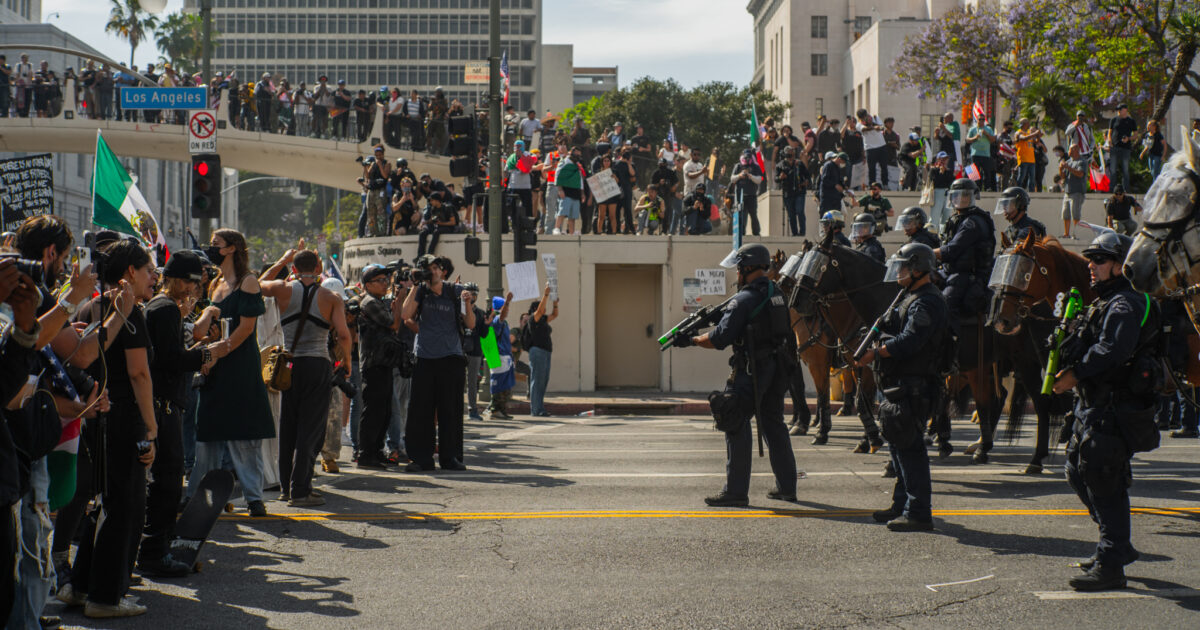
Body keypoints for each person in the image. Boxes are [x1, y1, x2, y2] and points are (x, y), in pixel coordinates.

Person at [1052, 232, 1157, 591]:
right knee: (1076, 470)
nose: (1091, 266)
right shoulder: (1103, 302)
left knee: (1104, 478)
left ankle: (1112, 563)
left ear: (1119, 265)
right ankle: (1115, 545)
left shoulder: (1126, 303)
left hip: (1114, 406)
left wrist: (1075, 373)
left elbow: (1114, 349)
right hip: (1092, 403)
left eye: (1099, 259)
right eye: (1091, 259)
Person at [63, 239, 161, 618]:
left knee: (101, 504)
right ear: (130, 273)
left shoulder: (92, 304)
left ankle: (83, 585)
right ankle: (105, 597)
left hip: (95, 415)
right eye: (149, 268)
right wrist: (151, 428)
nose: (154, 276)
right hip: (121, 418)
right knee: (125, 507)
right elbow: (139, 374)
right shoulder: (128, 311)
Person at [682, 244, 798, 507]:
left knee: (733, 419)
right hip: (777, 367)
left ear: (747, 267)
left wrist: (693, 339)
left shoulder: (744, 299)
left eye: (738, 267)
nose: (736, 272)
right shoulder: (775, 293)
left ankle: (735, 491)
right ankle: (787, 487)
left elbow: (720, 338)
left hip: (751, 370)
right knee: (774, 425)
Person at [139, 251, 221, 578]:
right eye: (190, 281)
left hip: (164, 402)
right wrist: (205, 354)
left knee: (164, 482)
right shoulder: (165, 308)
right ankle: (153, 555)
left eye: (198, 284)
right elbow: (170, 360)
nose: (194, 289)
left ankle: (154, 549)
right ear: (175, 279)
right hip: (163, 404)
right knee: (168, 483)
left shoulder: (164, 307)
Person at [858, 243, 948, 532]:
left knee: (911, 449)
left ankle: (919, 512)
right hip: (899, 384)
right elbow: (892, 327)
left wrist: (877, 352)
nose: (899, 272)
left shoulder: (927, 302)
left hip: (915, 385)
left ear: (919, 269)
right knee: (898, 446)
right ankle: (902, 505)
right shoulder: (907, 296)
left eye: (904, 267)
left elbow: (911, 341)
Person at [189, 229, 276, 518]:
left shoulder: (248, 281)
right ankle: (197, 496)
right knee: (208, 433)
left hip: (239, 367)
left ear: (232, 248)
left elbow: (246, 329)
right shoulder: (215, 283)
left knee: (245, 435)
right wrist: (209, 350)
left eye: (216, 245)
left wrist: (220, 350)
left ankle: (254, 498)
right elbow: (203, 329)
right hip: (215, 367)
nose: (211, 249)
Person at [260, 250, 351, 506]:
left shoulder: (281, 288)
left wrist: (281, 262)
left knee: (288, 425)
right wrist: (347, 361)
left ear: (295, 268)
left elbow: (255, 285)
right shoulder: (331, 297)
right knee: (310, 429)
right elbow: (343, 335)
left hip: (289, 364)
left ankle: (286, 488)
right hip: (317, 363)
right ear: (319, 267)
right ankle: (301, 490)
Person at [400, 256, 476, 471]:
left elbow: (470, 323)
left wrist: (468, 304)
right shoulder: (421, 291)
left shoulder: (455, 291)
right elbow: (406, 315)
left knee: (449, 410)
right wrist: (415, 285)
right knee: (420, 410)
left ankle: (450, 457)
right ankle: (420, 458)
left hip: (451, 357)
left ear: (443, 271)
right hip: (425, 356)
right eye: (427, 269)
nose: (431, 272)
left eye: (434, 268)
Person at [355, 264, 402, 469]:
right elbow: (393, 324)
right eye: (380, 281)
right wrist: (399, 303)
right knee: (373, 410)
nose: (385, 284)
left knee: (384, 410)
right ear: (367, 285)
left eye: (386, 280)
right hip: (373, 363)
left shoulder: (379, 301)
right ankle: (366, 454)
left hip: (384, 362)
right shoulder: (369, 303)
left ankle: (376, 451)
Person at [934, 178, 995, 321]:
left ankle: (952, 340)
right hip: (949, 272)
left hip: (968, 276)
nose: (960, 198)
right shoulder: (957, 218)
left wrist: (926, 252)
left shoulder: (972, 222)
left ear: (973, 197)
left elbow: (951, 250)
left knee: (943, 306)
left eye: (965, 195)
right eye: (956, 195)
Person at [524, 284, 557, 417]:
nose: (544, 310)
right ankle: (536, 410)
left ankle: (540, 408)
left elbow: (555, 315)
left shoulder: (543, 320)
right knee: (537, 381)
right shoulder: (534, 319)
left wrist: (555, 303)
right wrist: (546, 295)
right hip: (537, 352)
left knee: (543, 380)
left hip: (546, 352)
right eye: (541, 307)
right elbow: (539, 310)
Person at [461, 283, 488, 421]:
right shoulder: (459, 309)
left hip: (475, 350)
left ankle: (472, 410)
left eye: (475, 294)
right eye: (470, 293)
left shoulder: (480, 313)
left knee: (472, 382)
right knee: (458, 380)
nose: (472, 296)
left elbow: (484, 334)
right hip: (459, 349)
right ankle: (457, 409)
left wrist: (487, 323)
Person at [486, 294, 516, 419]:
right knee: (499, 385)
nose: (508, 310)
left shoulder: (503, 322)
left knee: (506, 386)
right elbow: (502, 315)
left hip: (505, 356)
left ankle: (501, 410)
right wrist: (507, 301)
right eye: (506, 307)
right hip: (499, 356)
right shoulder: (498, 318)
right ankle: (494, 410)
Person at [776, 146, 809, 236]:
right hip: (788, 193)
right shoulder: (780, 165)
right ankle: (794, 233)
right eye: (789, 154)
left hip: (799, 191)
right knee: (791, 215)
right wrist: (780, 177)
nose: (791, 156)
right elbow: (776, 179)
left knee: (800, 211)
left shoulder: (799, 163)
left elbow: (807, 175)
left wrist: (805, 182)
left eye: (792, 154)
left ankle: (802, 233)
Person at [730, 149, 764, 236]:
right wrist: (740, 175)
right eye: (746, 157)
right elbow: (732, 179)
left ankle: (756, 232)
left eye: (749, 157)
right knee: (742, 214)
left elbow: (759, 180)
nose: (747, 159)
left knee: (753, 214)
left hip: (752, 194)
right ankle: (742, 232)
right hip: (740, 195)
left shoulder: (755, 167)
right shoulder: (738, 166)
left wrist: (750, 176)